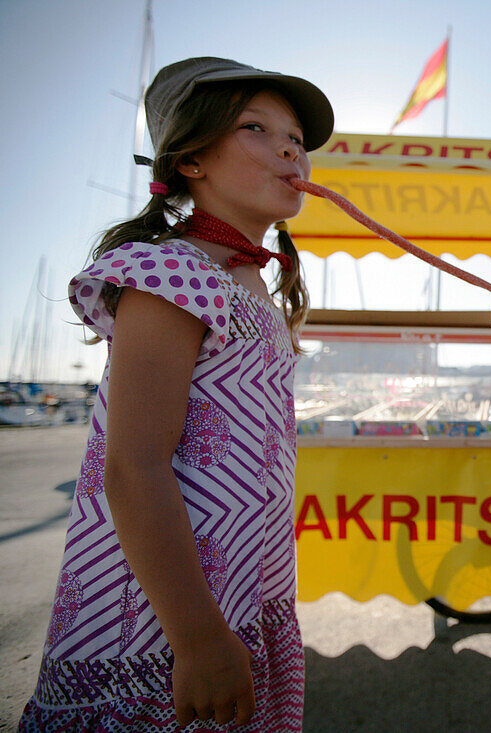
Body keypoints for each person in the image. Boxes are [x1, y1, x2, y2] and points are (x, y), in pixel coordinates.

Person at [19, 57, 333, 731]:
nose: (288, 147)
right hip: (167, 614)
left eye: (297, 139)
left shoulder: (254, 283)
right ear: (190, 159)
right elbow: (133, 466)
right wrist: (197, 636)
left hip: (245, 588)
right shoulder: (172, 270)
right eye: (257, 127)